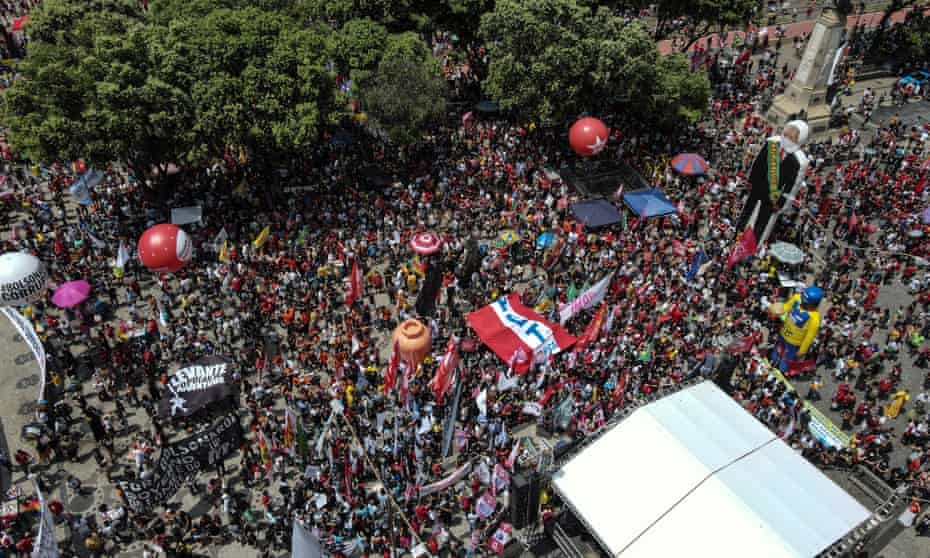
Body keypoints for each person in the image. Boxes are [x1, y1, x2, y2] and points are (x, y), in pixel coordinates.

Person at [737, 120, 810, 245]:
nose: (787, 138)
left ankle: (753, 246)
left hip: (773, 199)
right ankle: (737, 237)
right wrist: (750, 182)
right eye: (787, 134)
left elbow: (792, 188)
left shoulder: (800, 161)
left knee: (762, 225)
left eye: (792, 137)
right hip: (757, 189)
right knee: (746, 214)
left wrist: (782, 205)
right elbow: (757, 165)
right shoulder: (772, 143)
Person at [770, 285, 824, 372]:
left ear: (814, 304)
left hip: (794, 343)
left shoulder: (814, 318)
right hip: (783, 333)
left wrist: (802, 350)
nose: (803, 303)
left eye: (806, 303)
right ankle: (773, 360)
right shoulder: (796, 299)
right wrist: (777, 310)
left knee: (787, 359)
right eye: (803, 300)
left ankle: (782, 371)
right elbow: (786, 307)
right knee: (777, 349)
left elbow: (809, 337)